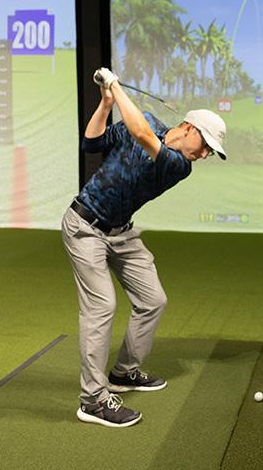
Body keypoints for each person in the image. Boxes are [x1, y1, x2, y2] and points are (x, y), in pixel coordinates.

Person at [61, 67, 227, 428]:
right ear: (189, 128)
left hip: (121, 233)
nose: (204, 155)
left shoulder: (178, 166)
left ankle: (124, 372)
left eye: (211, 153)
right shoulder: (148, 119)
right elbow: (93, 143)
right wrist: (106, 103)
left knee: (153, 299)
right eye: (206, 146)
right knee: (101, 306)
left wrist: (115, 85)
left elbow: (140, 133)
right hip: (84, 227)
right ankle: (93, 400)